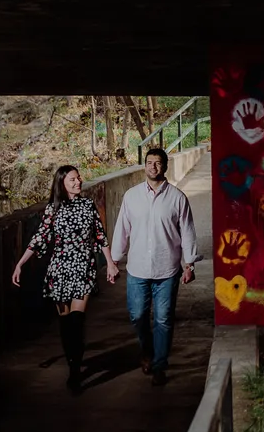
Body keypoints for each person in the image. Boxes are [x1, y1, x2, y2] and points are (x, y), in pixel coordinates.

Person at [13, 165, 117, 393]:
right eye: (72, 179)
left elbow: (100, 235)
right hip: (59, 271)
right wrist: (20, 263)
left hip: (83, 269)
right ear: (62, 183)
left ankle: (75, 371)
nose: (78, 182)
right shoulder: (53, 209)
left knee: (77, 321)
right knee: (66, 323)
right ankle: (72, 361)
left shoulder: (88, 205)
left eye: (79, 178)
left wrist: (109, 262)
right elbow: (39, 238)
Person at [110, 146, 199, 386]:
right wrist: (113, 261)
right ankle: (147, 350)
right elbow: (122, 230)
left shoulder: (177, 198)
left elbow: (188, 232)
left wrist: (189, 264)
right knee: (137, 315)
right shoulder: (131, 196)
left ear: (165, 166)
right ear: (144, 165)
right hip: (137, 268)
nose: (153, 166)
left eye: (158, 163)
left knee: (163, 319)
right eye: (149, 162)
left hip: (167, 268)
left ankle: (159, 365)